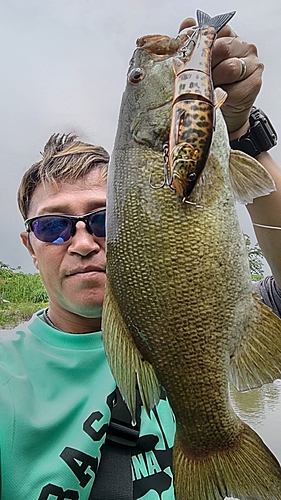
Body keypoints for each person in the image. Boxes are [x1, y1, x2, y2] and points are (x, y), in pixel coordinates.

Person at [1, 20, 281, 500]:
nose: (84, 242)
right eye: (53, 226)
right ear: (29, 245)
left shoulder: (212, 315)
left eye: (105, 219)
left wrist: (243, 135)